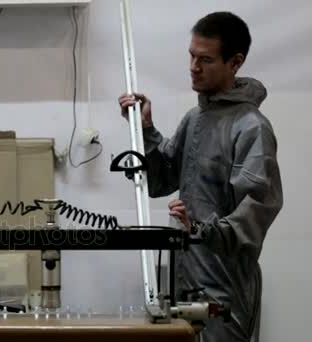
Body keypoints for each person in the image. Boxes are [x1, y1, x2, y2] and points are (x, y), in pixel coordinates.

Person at [118, 11, 283, 342]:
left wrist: (200, 229)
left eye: (205, 59)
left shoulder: (251, 127)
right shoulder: (195, 119)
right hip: (184, 279)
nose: (193, 67)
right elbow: (163, 178)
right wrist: (145, 128)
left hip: (224, 288)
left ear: (234, 62)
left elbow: (255, 213)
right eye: (191, 56)